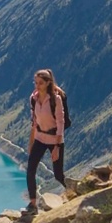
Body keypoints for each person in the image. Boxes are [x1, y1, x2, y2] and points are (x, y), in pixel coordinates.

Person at [25, 68, 67, 214]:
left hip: (54, 139)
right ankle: (32, 204)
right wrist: (31, 143)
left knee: (58, 174)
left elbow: (61, 123)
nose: (37, 86)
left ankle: (76, 190)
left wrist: (57, 146)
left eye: (41, 83)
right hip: (40, 138)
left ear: (48, 83)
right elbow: (34, 122)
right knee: (30, 170)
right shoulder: (34, 98)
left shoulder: (56, 99)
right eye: (35, 83)